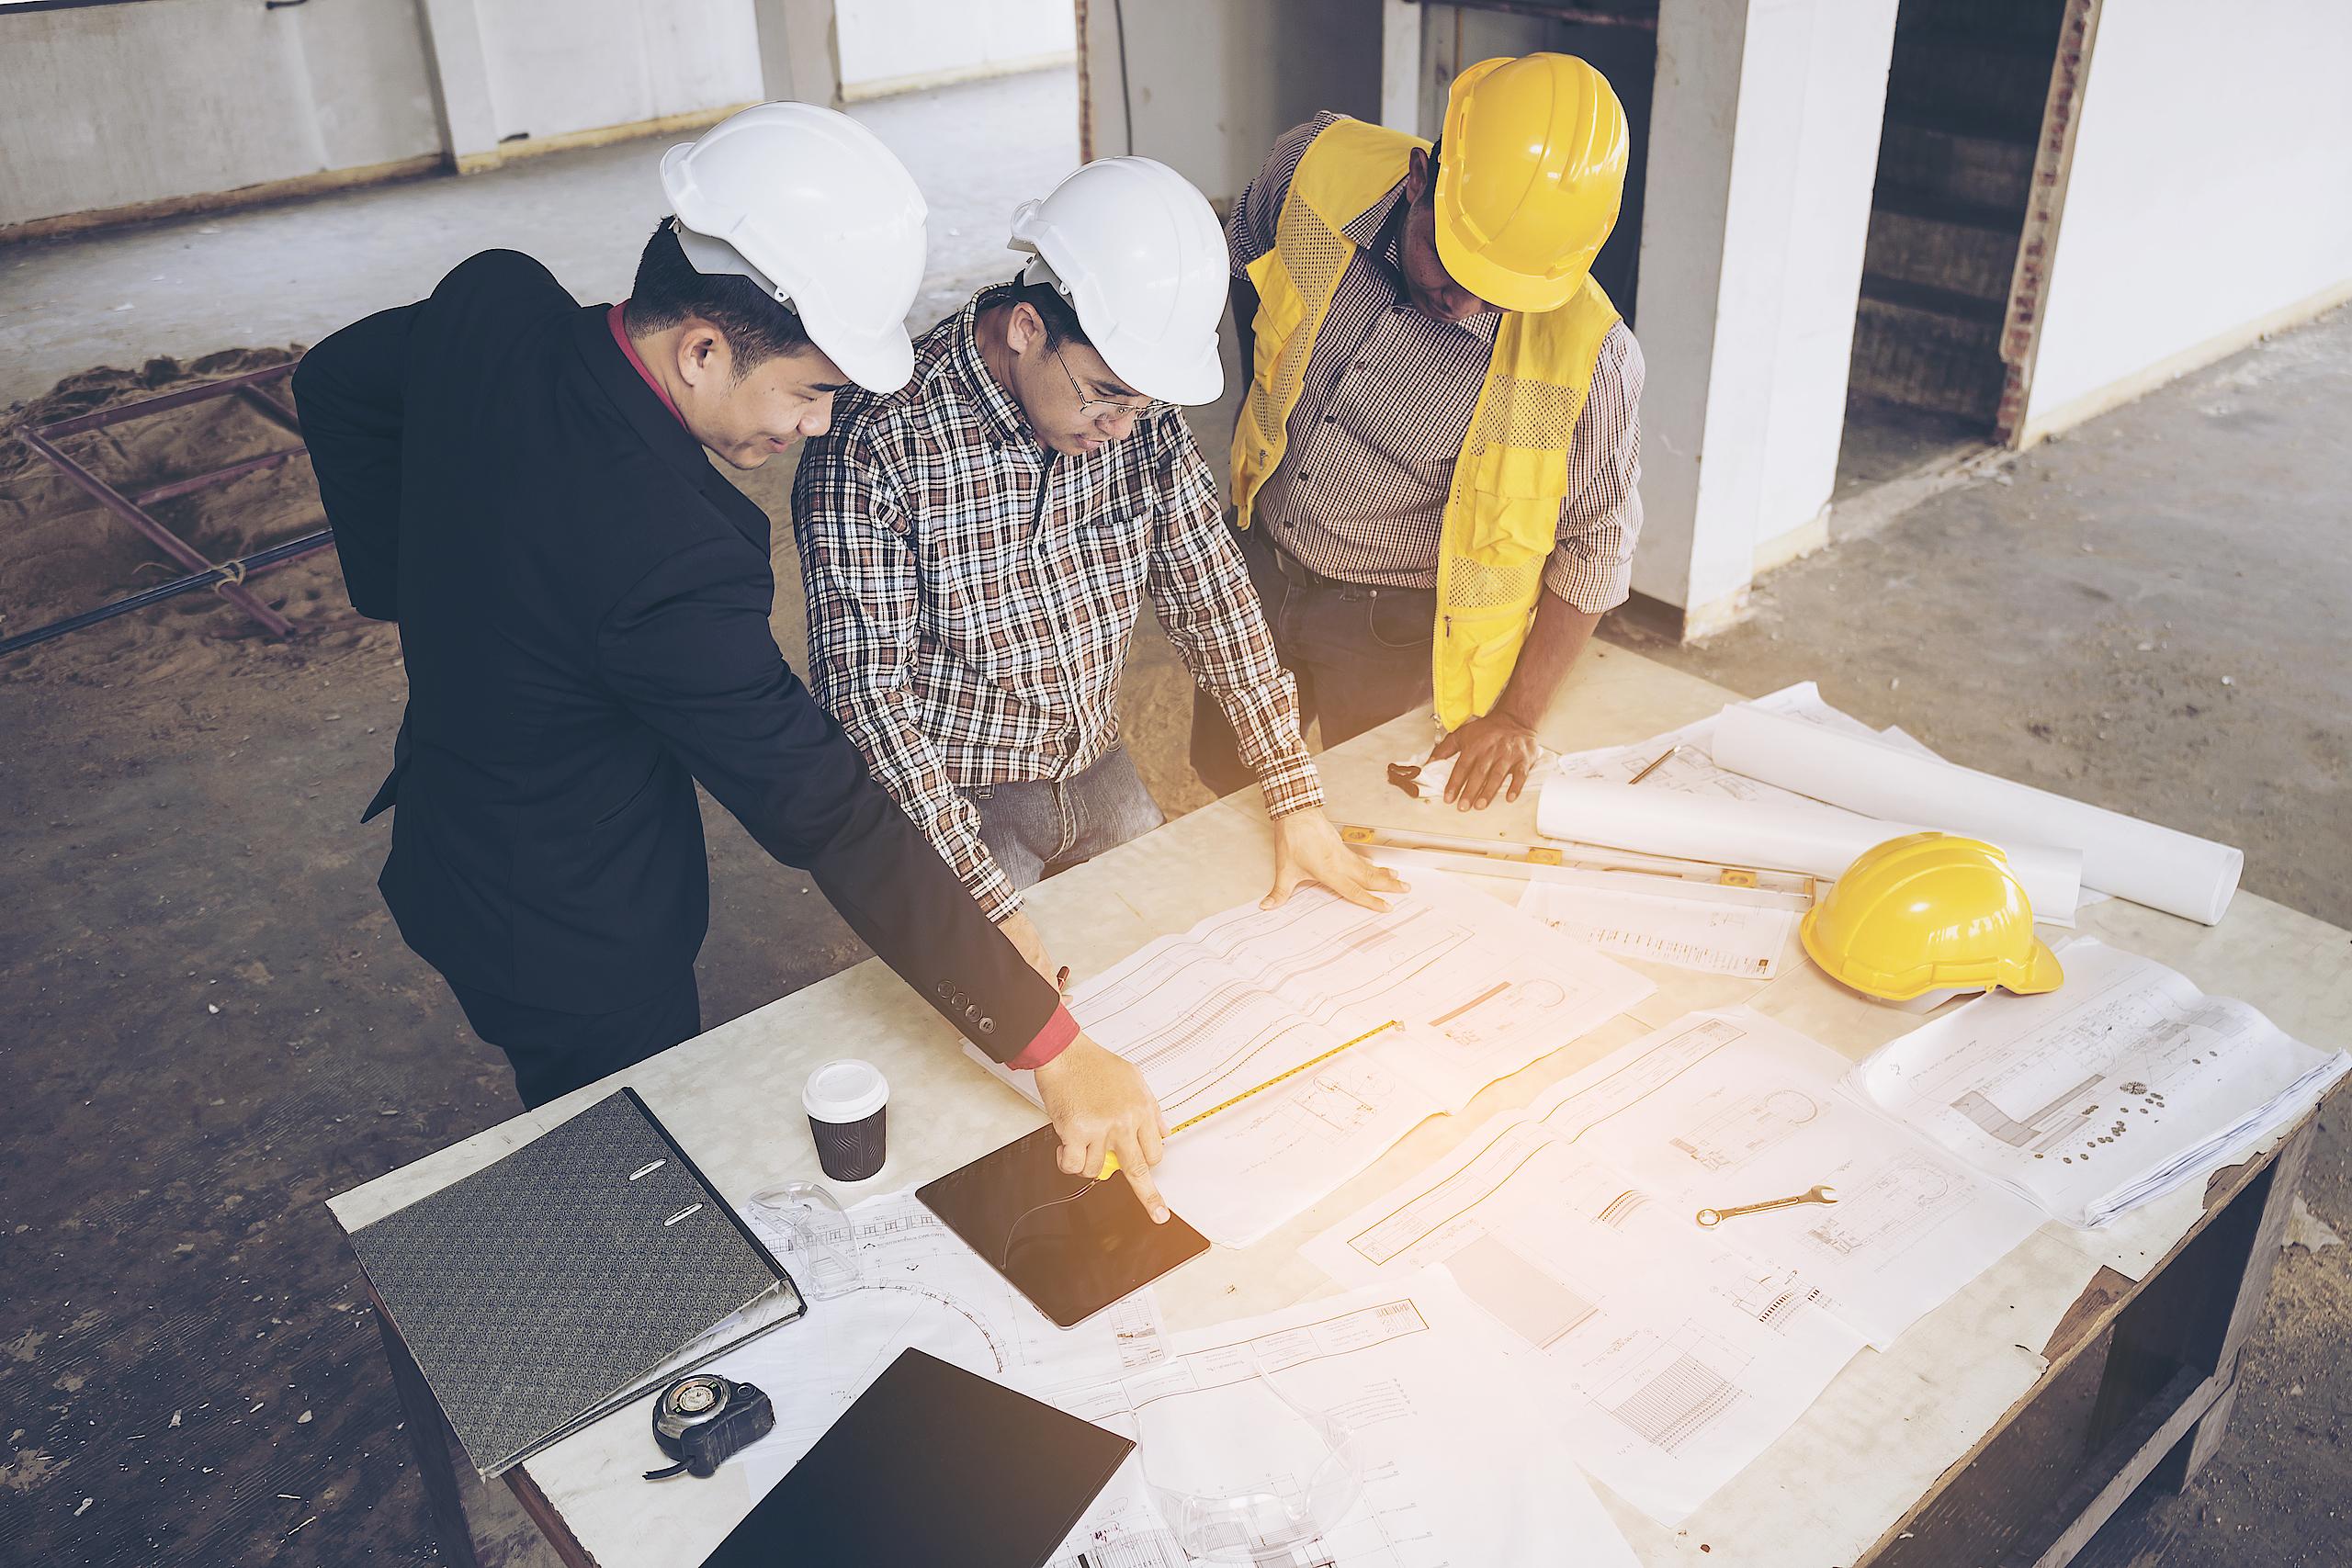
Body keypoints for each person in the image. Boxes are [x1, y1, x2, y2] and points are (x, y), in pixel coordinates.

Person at [294, 104, 1171, 1215]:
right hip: (567, 923)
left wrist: (409, 582)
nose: (816, 425)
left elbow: (335, 381)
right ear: (703, 349)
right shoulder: (671, 562)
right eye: (809, 390)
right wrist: (1049, 1044)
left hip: (448, 831)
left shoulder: (497, 300)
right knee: (630, 1150)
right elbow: (828, 813)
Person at [792, 155, 1400, 978]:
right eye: (1106, 394)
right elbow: (867, 698)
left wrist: (1295, 796)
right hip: (957, 795)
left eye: (1143, 406)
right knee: (984, 1023)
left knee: (1170, 977)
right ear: (1026, 327)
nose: (1121, 427)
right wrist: (980, 902)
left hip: (1098, 762)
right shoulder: (876, 442)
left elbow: (1212, 593)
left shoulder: (1134, 419)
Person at [1193, 52, 1645, 814]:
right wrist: (1258, 412)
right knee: (1225, 787)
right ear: (1417, 180)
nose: (1464, 302)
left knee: (1379, 816)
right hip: (1259, 563)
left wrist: (1514, 716)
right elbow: (1247, 268)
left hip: (1399, 627)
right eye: (1450, 259)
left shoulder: (1591, 359)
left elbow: (1598, 545)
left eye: (1496, 290)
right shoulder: (1310, 168)